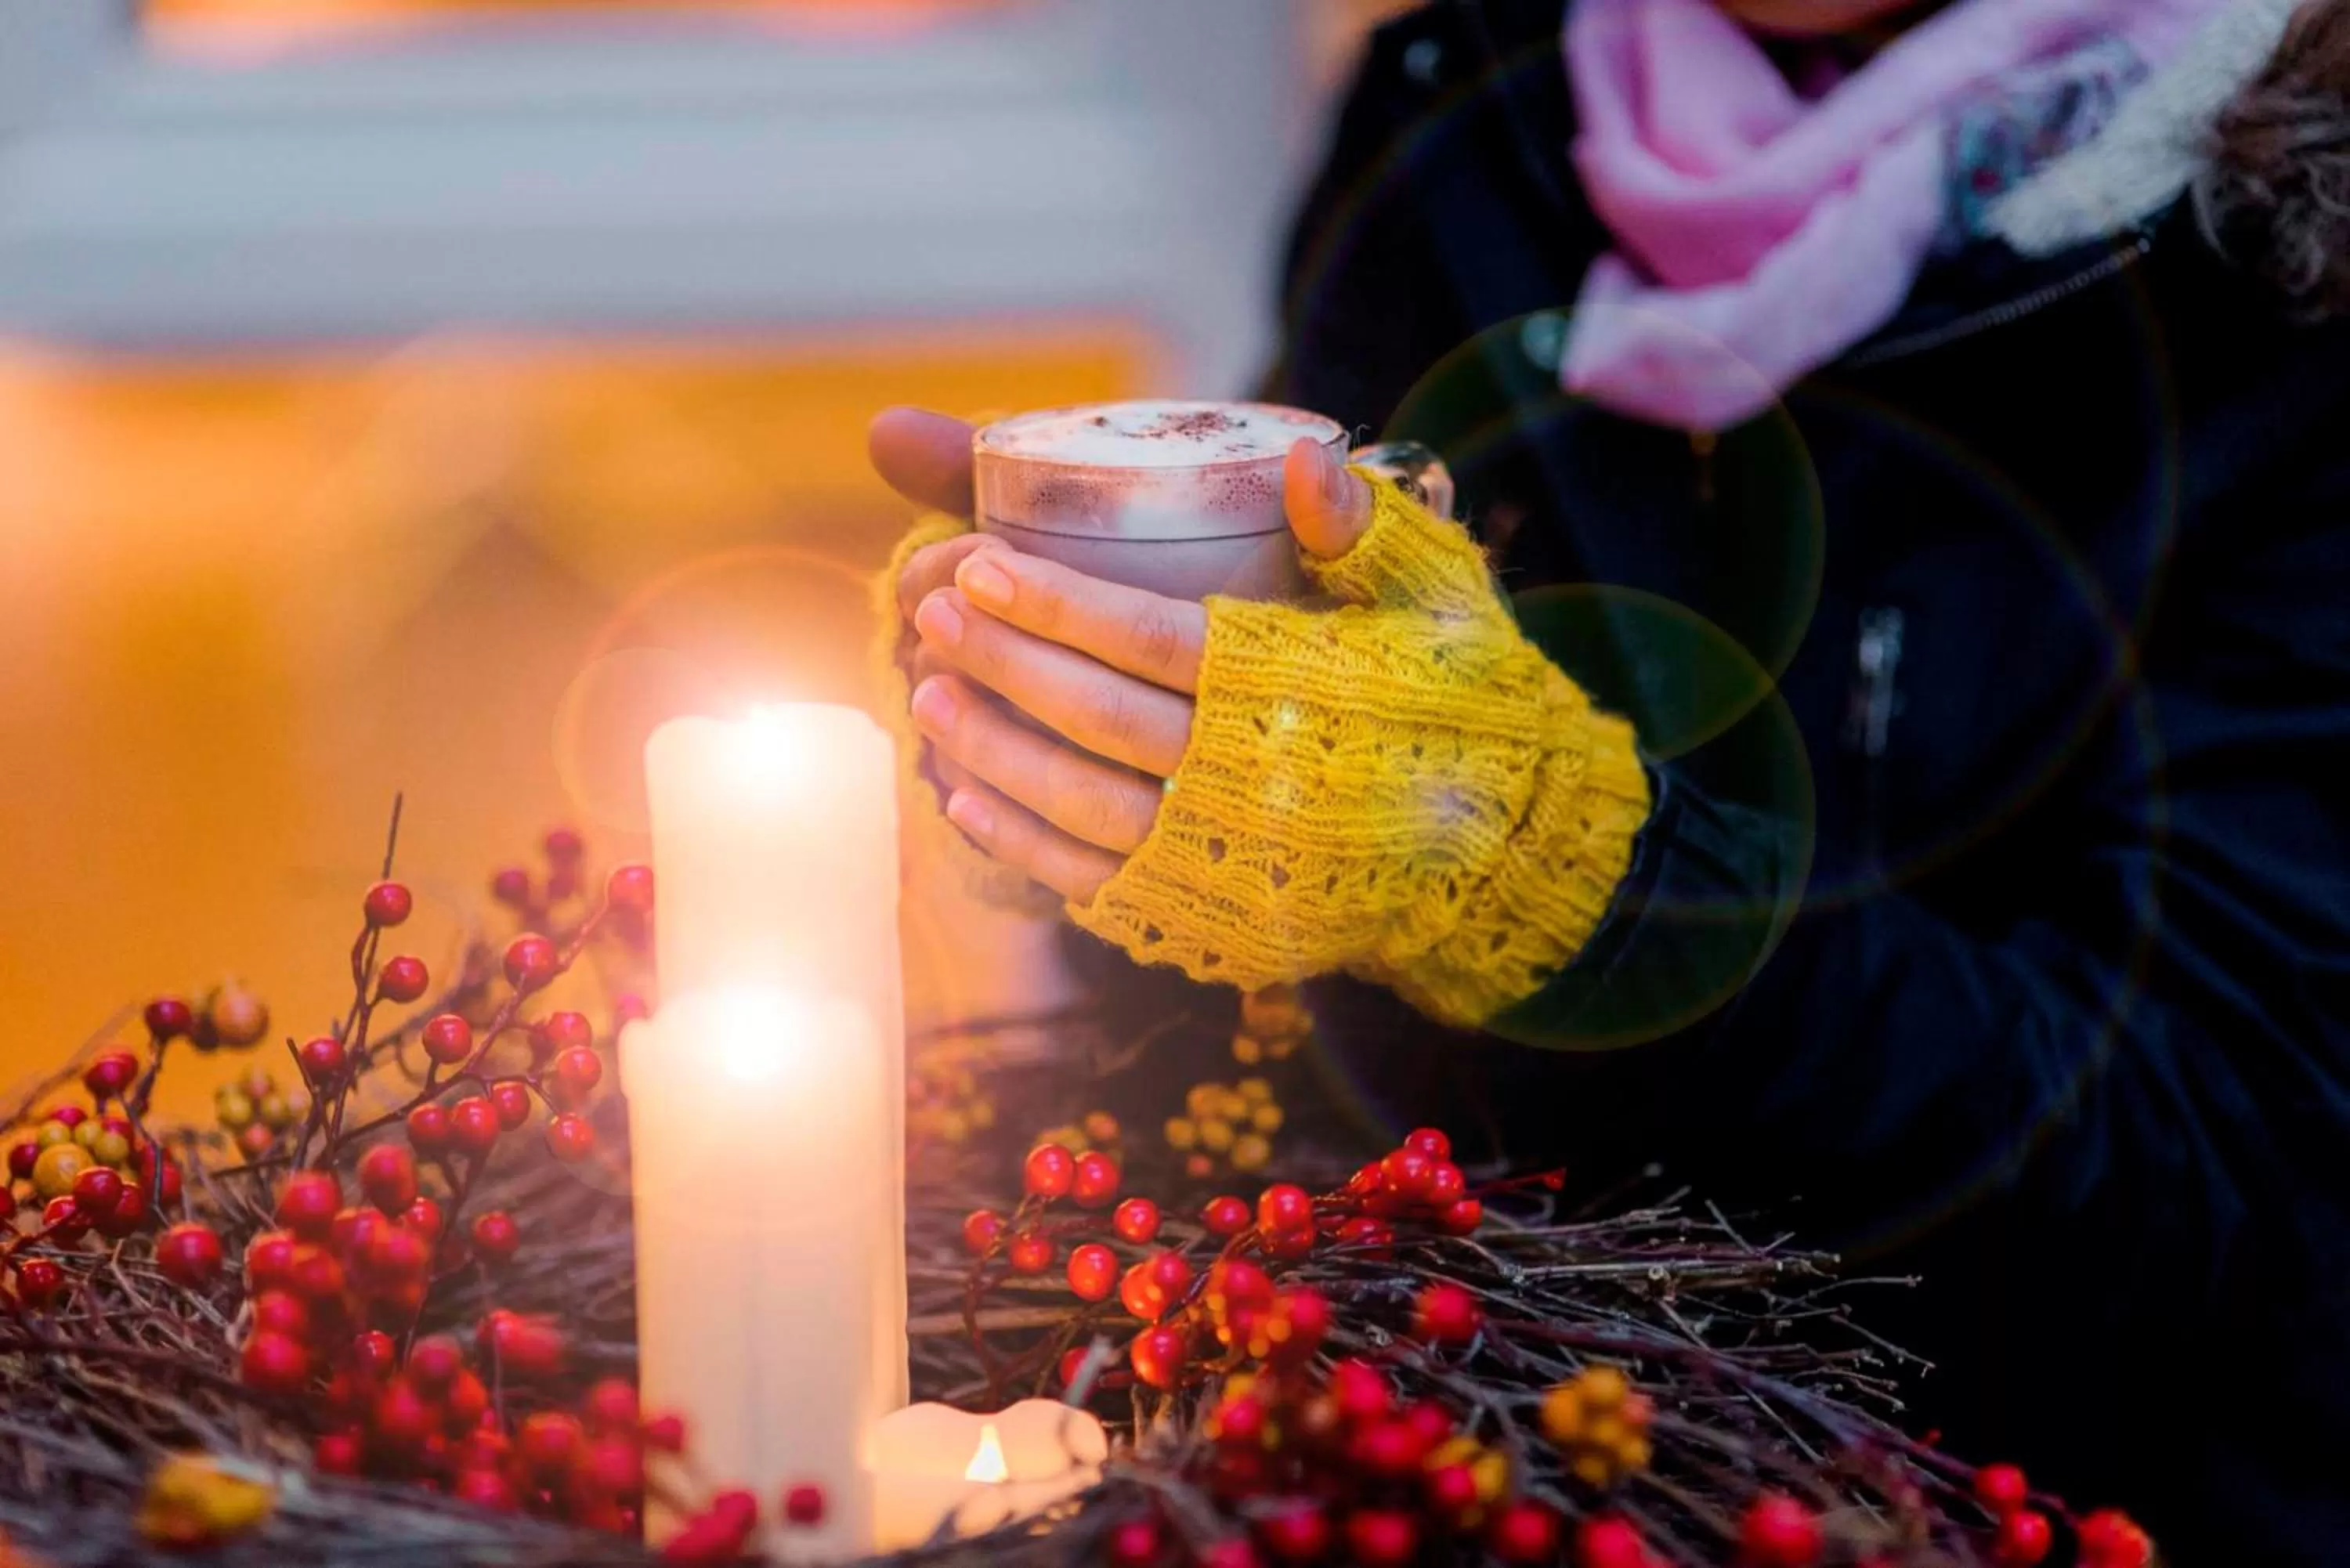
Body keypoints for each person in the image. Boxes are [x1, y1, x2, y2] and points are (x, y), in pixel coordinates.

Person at [871, 0, 2350, 1559]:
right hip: (1481, 1475)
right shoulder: (1475, 113)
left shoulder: (2293, 241)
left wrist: (1556, 877)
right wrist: (1099, 715)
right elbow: (1241, 1069)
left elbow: (2221, 1194)